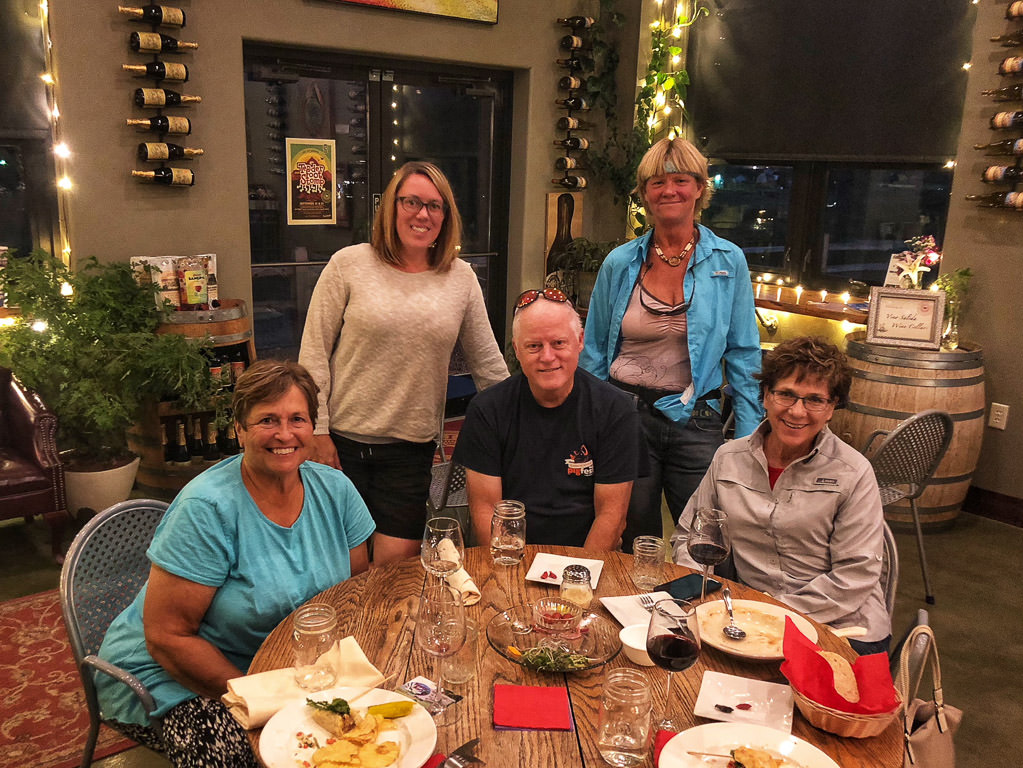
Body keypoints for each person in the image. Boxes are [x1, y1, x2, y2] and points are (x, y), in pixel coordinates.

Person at [96, 361, 375, 766]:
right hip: (178, 672)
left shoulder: (336, 490)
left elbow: (355, 593)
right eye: (267, 420)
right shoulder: (206, 509)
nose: (284, 434)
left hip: (286, 665)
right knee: (237, 756)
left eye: (297, 419)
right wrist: (264, 701)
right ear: (240, 429)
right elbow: (167, 637)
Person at [298, 161, 508, 565]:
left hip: (410, 451)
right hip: (340, 446)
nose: (422, 214)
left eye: (435, 205)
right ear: (391, 208)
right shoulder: (349, 264)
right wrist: (317, 431)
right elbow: (313, 355)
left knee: (391, 575)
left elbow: (489, 367)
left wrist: (524, 426)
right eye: (411, 201)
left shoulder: (460, 278)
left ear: (446, 216)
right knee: (345, 571)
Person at [581, 137, 762, 552]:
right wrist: (585, 419)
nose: (669, 191)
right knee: (631, 537)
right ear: (644, 194)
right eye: (657, 182)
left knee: (705, 540)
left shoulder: (727, 261)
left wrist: (749, 437)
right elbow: (592, 352)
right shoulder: (620, 262)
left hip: (697, 420)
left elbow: (744, 354)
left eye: (680, 179)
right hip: (624, 418)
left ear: (699, 188)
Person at [670, 337, 891, 655]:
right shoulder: (728, 458)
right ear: (764, 396)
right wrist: (702, 595)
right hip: (745, 621)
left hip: (840, 627)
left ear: (831, 408)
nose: (797, 411)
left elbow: (853, 577)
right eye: (786, 394)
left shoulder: (854, 473)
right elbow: (690, 537)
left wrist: (767, 612)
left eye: (815, 400)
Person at [454, 288, 642, 550]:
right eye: (534, 346)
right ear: (517, 350)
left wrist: (577, 577)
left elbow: (612, 517)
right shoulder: (487, 410)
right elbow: (486, 511)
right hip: (510, 554)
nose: (547, 357)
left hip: (587, 557)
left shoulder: (615, 410)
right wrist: (512, 574)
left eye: (558, 343)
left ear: (579, 341)